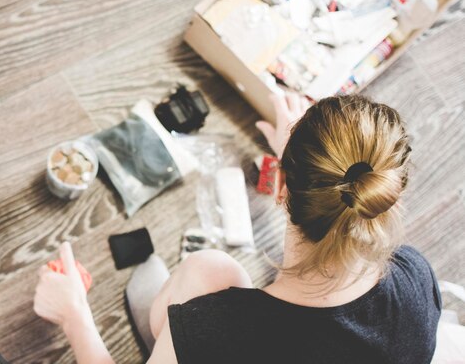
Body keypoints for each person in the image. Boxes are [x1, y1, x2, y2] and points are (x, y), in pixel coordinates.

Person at [33, 93, 442, 363]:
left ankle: (163, 348)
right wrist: (301, 164)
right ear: (389, 197)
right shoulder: (414, 279)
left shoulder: (221, 335)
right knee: (208, 273)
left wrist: (73, 314)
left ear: (279, 189)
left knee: (205, 270)